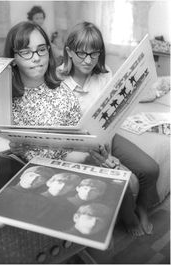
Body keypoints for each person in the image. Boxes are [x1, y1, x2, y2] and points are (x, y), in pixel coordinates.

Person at [58, 21, 159, 236]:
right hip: (83, 146)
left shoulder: (104, 75)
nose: (88, 60)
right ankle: (129, 218)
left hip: (109, 134)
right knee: (117, 177)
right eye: (81, 53)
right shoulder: (58, 80)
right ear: (68, 51)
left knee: (150, 169)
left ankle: (142, 208)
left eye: (94, 54)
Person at [4, 21, 81, 163]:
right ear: (13, 59)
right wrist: (13, 149)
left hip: (62, 171)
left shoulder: (65, 96)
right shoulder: (4, 99)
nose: (36, 58)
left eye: (41, 49)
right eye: (26, 52)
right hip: (19, 171)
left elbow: (77, 147)